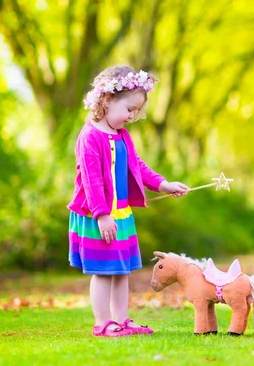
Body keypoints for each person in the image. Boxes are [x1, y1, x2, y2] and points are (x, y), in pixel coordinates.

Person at [67, 65, 189, 337]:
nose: (132, 116)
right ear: (107, 100)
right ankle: (102, 324)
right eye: (129, 109)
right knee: (102, 271)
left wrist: (162, 184)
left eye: (136, 111)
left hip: (120, 213)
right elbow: (92, 179)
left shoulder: (122, 135)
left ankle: (121, 320)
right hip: (97, 215)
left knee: (122, 270)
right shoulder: (90, 137)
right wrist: (101, 215)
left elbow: (137, 166)